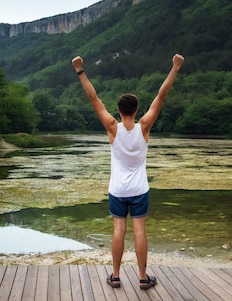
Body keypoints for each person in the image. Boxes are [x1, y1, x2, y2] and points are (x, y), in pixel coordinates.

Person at [71, 54, 184, 290]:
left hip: (118, 190)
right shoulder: (144, 127)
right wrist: (175, 67)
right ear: (137, 109)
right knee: (140, 231)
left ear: (118, 110)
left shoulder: (113, 127)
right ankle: (143, 278)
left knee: (118, 230)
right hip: (139, 189)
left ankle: (115, 276)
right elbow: (161, 96)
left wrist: (80, 70)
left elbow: (93, 98)